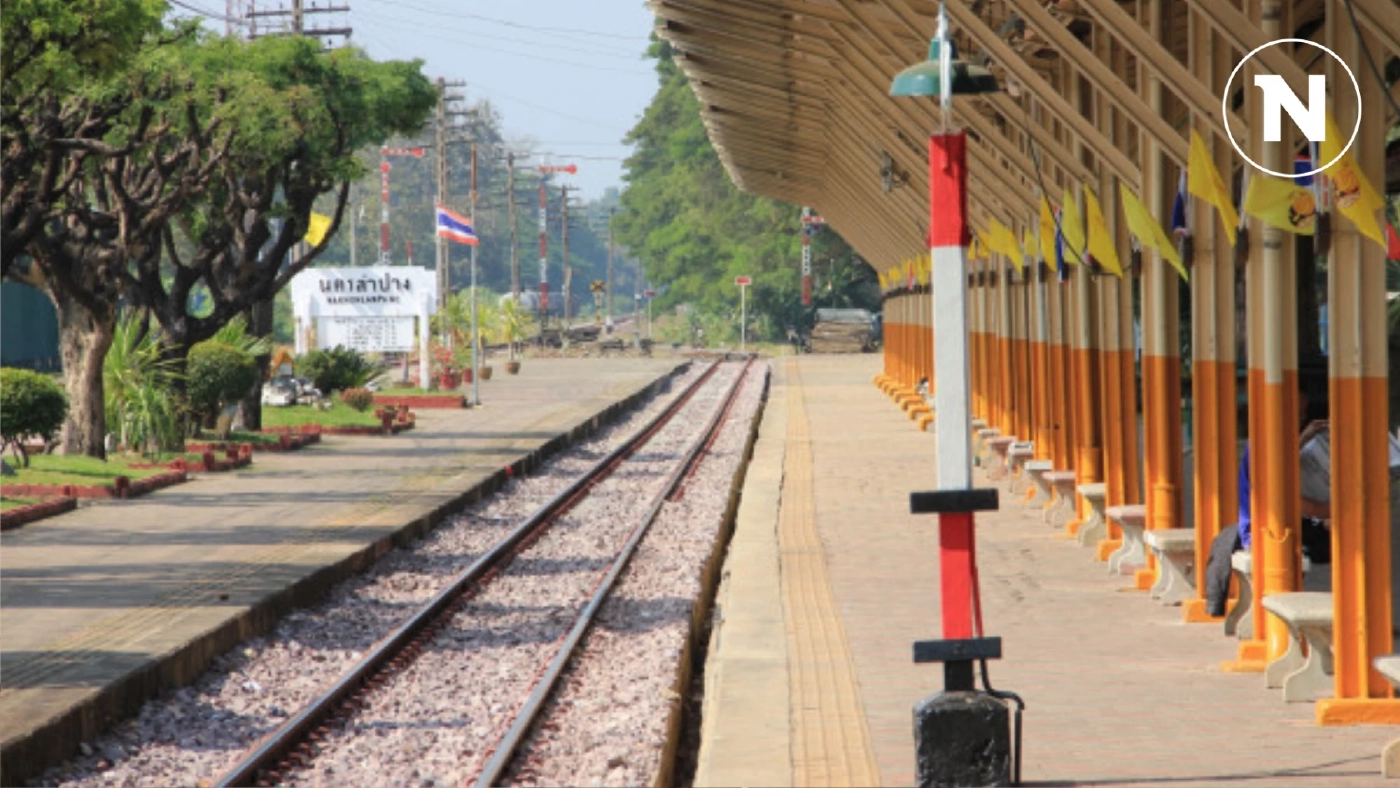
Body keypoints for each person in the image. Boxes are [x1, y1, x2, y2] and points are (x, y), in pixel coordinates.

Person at [1204, 388, 1330, 616]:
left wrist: (1304, 438)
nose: (1301, 419)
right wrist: (1334, 511)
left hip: (1267, 526)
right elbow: (1286, 499)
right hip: (1267, 532)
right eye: (1298, 414)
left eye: (1304, 414)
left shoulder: (1269, 441)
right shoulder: (1265, 447)